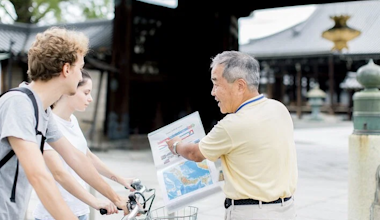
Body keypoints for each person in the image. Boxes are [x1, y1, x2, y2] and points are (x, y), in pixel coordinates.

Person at [0, 27, 129, 220]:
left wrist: (117, 198)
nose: (80, 76)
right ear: (66, 69)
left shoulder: (41, 111)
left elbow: (75, 157)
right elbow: (39, 176)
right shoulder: (18, 104)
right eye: (80, 68)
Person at [166, 50, 298, 220]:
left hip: (252, 213)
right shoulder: (279, 108)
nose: (213, 92)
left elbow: (194, 153)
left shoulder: (233, 125)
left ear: (240, 86)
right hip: (286, 209)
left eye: (217, 84)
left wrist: (176, 145)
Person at [33, 69, 134, 220]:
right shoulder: (48, 124)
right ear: (69, 90)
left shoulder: (72, 120)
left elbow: (86, 157)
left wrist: (120, 179)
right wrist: (96, 201)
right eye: (86, 93)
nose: (91, 98)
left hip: (80, 210)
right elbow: (60, 174)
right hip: (52, 214)